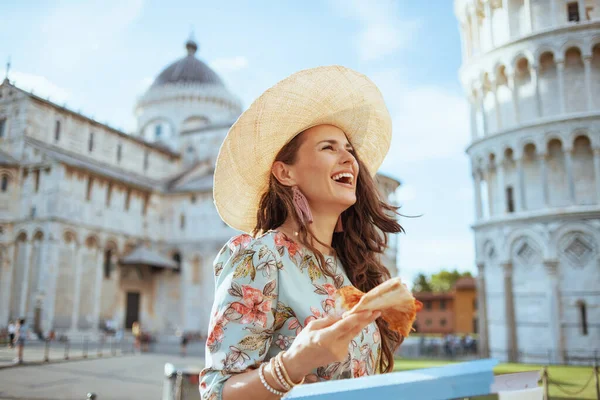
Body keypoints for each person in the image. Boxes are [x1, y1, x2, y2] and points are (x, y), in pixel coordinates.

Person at [200, 66, 404, 400]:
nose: (349, 159)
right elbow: (217, 393)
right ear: (285, 172)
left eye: (350, 150)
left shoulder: (349, 267)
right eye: (329, 148)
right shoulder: (259, 258)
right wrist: (293, 364)